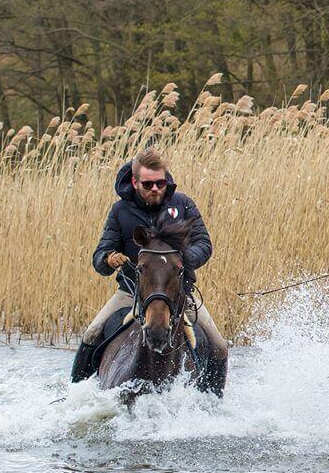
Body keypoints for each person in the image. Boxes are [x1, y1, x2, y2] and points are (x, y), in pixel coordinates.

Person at [69, 147, 228, 382]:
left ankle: (215, 404)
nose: (155, 189)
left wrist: (178, 263)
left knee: (219, 344)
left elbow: (204, 244)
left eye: (160, 183)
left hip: (179, 292)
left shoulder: (183, 204)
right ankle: (75, 398)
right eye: (148, 185)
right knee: (91, 333)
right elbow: (100, 255)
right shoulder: (120, 211)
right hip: (131, 292)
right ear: (135, 182)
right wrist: (108, 259)